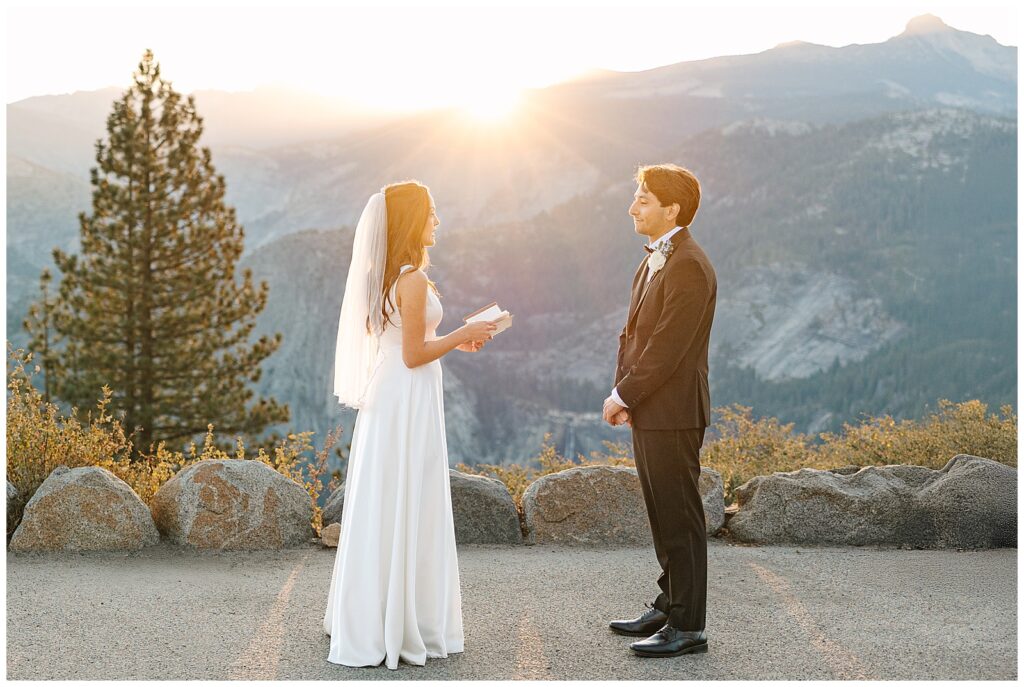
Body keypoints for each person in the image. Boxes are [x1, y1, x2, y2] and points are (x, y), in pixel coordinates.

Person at [323, 180, 497, 670]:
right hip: (407, 394)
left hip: (393, 393)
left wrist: (456, 341)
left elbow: (412, 339)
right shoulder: (413, 279)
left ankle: (372, 613)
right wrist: (463, 331)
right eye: (432, 213)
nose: (437, 221)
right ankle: (402, 620)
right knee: (407, 496)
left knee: (386, 499)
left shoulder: (390, 276)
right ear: (411, 221)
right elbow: (416, 352)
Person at [603, 163, 717, 657]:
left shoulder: (688, 264)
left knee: (681, 516)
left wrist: (624, 395)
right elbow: (634, 336)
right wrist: (627, 394)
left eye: (643, 200)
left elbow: (668, 349)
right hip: (654, 408)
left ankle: (688, 625)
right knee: (661, 512)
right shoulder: (657, 259)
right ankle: (669, 604)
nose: (633, 208)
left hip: (674, 411)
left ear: (671, 209)